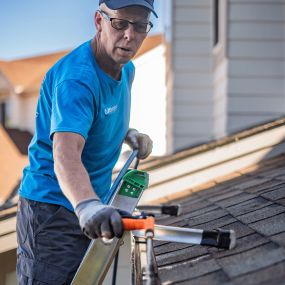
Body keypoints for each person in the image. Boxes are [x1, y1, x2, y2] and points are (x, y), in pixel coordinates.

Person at [16, 0, 157, 283]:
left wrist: (126, 133)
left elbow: (94, 116)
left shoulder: (125, 68)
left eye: (140, 26)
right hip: (53, 209)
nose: (130, 35)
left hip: (91, 201)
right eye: (120, 23)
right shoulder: (77, 79)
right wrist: (87, 206)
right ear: (98, 22)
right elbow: (65, 154)